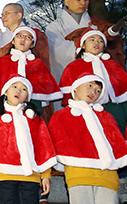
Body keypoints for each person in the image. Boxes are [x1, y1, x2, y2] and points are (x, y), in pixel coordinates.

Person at [49, 73, 127, 204]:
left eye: (98, 91)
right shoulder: (61, 116)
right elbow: (54, 141)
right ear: (75, 88)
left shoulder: (106, 116)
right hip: (78, 175)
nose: (93, 92)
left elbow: (118, 143)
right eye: (89, 85)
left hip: (108, 177)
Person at [0, 76, 57, 204]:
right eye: (14, 87)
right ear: (6, 91)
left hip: (31, 176)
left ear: (27, 96)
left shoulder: (35, 119)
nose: (18, 91)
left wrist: (46, 175)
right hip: (4, 175)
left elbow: (43, 146)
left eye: (24, 89)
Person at [46, 0, 126, 81]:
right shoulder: (54, 27)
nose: (83, 3)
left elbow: (109, 37)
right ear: (67, 2)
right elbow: (56, 49)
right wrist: (85, 47)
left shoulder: (95, 22)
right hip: (74, 75)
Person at [60, 29, 127, 133]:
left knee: (117, 134)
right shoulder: (74, 66)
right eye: (92, 39)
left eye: (101, 41)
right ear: (83, 45)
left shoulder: (113, 65)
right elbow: (68, 91)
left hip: (114, 108)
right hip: (86, 109)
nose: (97, 43)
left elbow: (123, 86)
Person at [0, 26, 62, 105]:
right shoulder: (2, 61)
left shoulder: (38, 63)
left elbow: (46, 84)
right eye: (19, 36)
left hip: (33, 103)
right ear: (13, 41)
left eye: (28, 37)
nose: (23, 39)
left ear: (32, 44)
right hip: (6, 103)